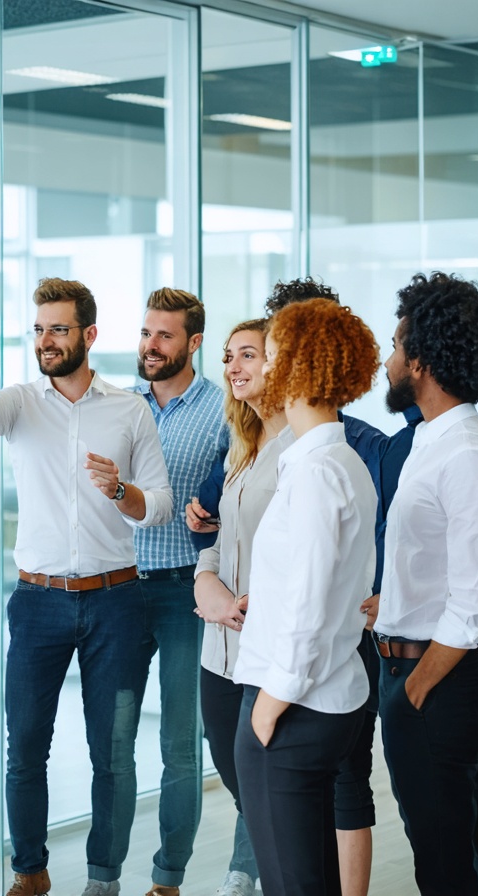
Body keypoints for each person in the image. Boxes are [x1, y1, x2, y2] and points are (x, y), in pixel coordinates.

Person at [0, 277, 174, 896]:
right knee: (26, 748)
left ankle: (103, 878)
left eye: (58, 329)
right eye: (38, 329)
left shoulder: (129, 409)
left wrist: (120, 490)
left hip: (117, 601)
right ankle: (31, 872)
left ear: (88, 335)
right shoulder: (20, 403)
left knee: (114, 753)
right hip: (38, 602)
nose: (45, 340)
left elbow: (162, 506)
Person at [374, 271, 478, 896]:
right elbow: (437, 564)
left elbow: (475, 602)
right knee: (437, 849)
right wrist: (389, 605)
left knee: (448, 861)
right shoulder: (433, 439)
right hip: (409, 670)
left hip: (435, 682)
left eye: (396, 345)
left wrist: (414, 694)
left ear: (423, 362)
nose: (387, 360)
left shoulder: (468, 454)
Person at [232, 298, 380, 895]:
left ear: (293, 366)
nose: (257, 366)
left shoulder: (320, 471)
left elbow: (309, 603)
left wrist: (270, 702)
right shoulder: (330, 461)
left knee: (293, 884)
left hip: (293, 705)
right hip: (316, 699)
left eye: (266, 354)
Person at [185, 317, 293, 896]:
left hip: (264, 650)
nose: (234, 367)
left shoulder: (301, 452)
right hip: (219, 646)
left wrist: (242, 601)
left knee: (267, 786)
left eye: (248, 355)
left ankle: (263, 876)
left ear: (282, 363)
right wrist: (208, 586)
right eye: (230, 356)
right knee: (238, 779)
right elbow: (220, 545)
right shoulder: (239, 450)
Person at [129, 288, 226, 896]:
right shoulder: (118, 404)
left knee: (179, 746)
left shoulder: (222, 410)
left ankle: (169, 878)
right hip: (117, 589)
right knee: (112, 742)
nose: (150, 346)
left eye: (164, 336)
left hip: (187, 595)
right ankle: (103, 873)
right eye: (146, 333)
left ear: (193, 343)